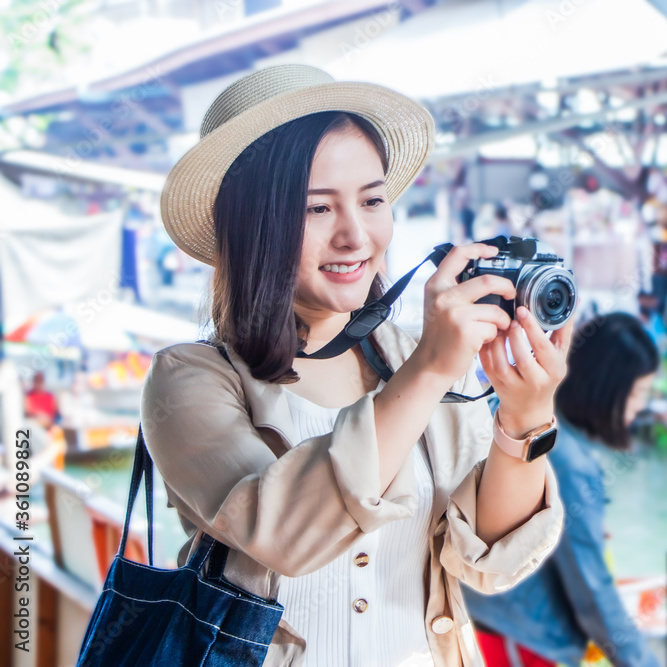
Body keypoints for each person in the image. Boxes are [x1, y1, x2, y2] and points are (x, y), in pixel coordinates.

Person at [142, 64, 571, 667]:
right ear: (251, 225)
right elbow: (285, 537)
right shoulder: (190, 379)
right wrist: (428, 370)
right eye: (317, 209)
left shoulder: (416, 356)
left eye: (372, 200)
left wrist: (525, 416)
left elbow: (487, 560)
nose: (355, 235)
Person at [463, 312, 661, 667]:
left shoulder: (512, 414)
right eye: (637, 394)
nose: (641, 408)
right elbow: (591, 589)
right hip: (523, 638)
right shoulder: (571, 462)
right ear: (608, 391)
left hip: (480, 620)